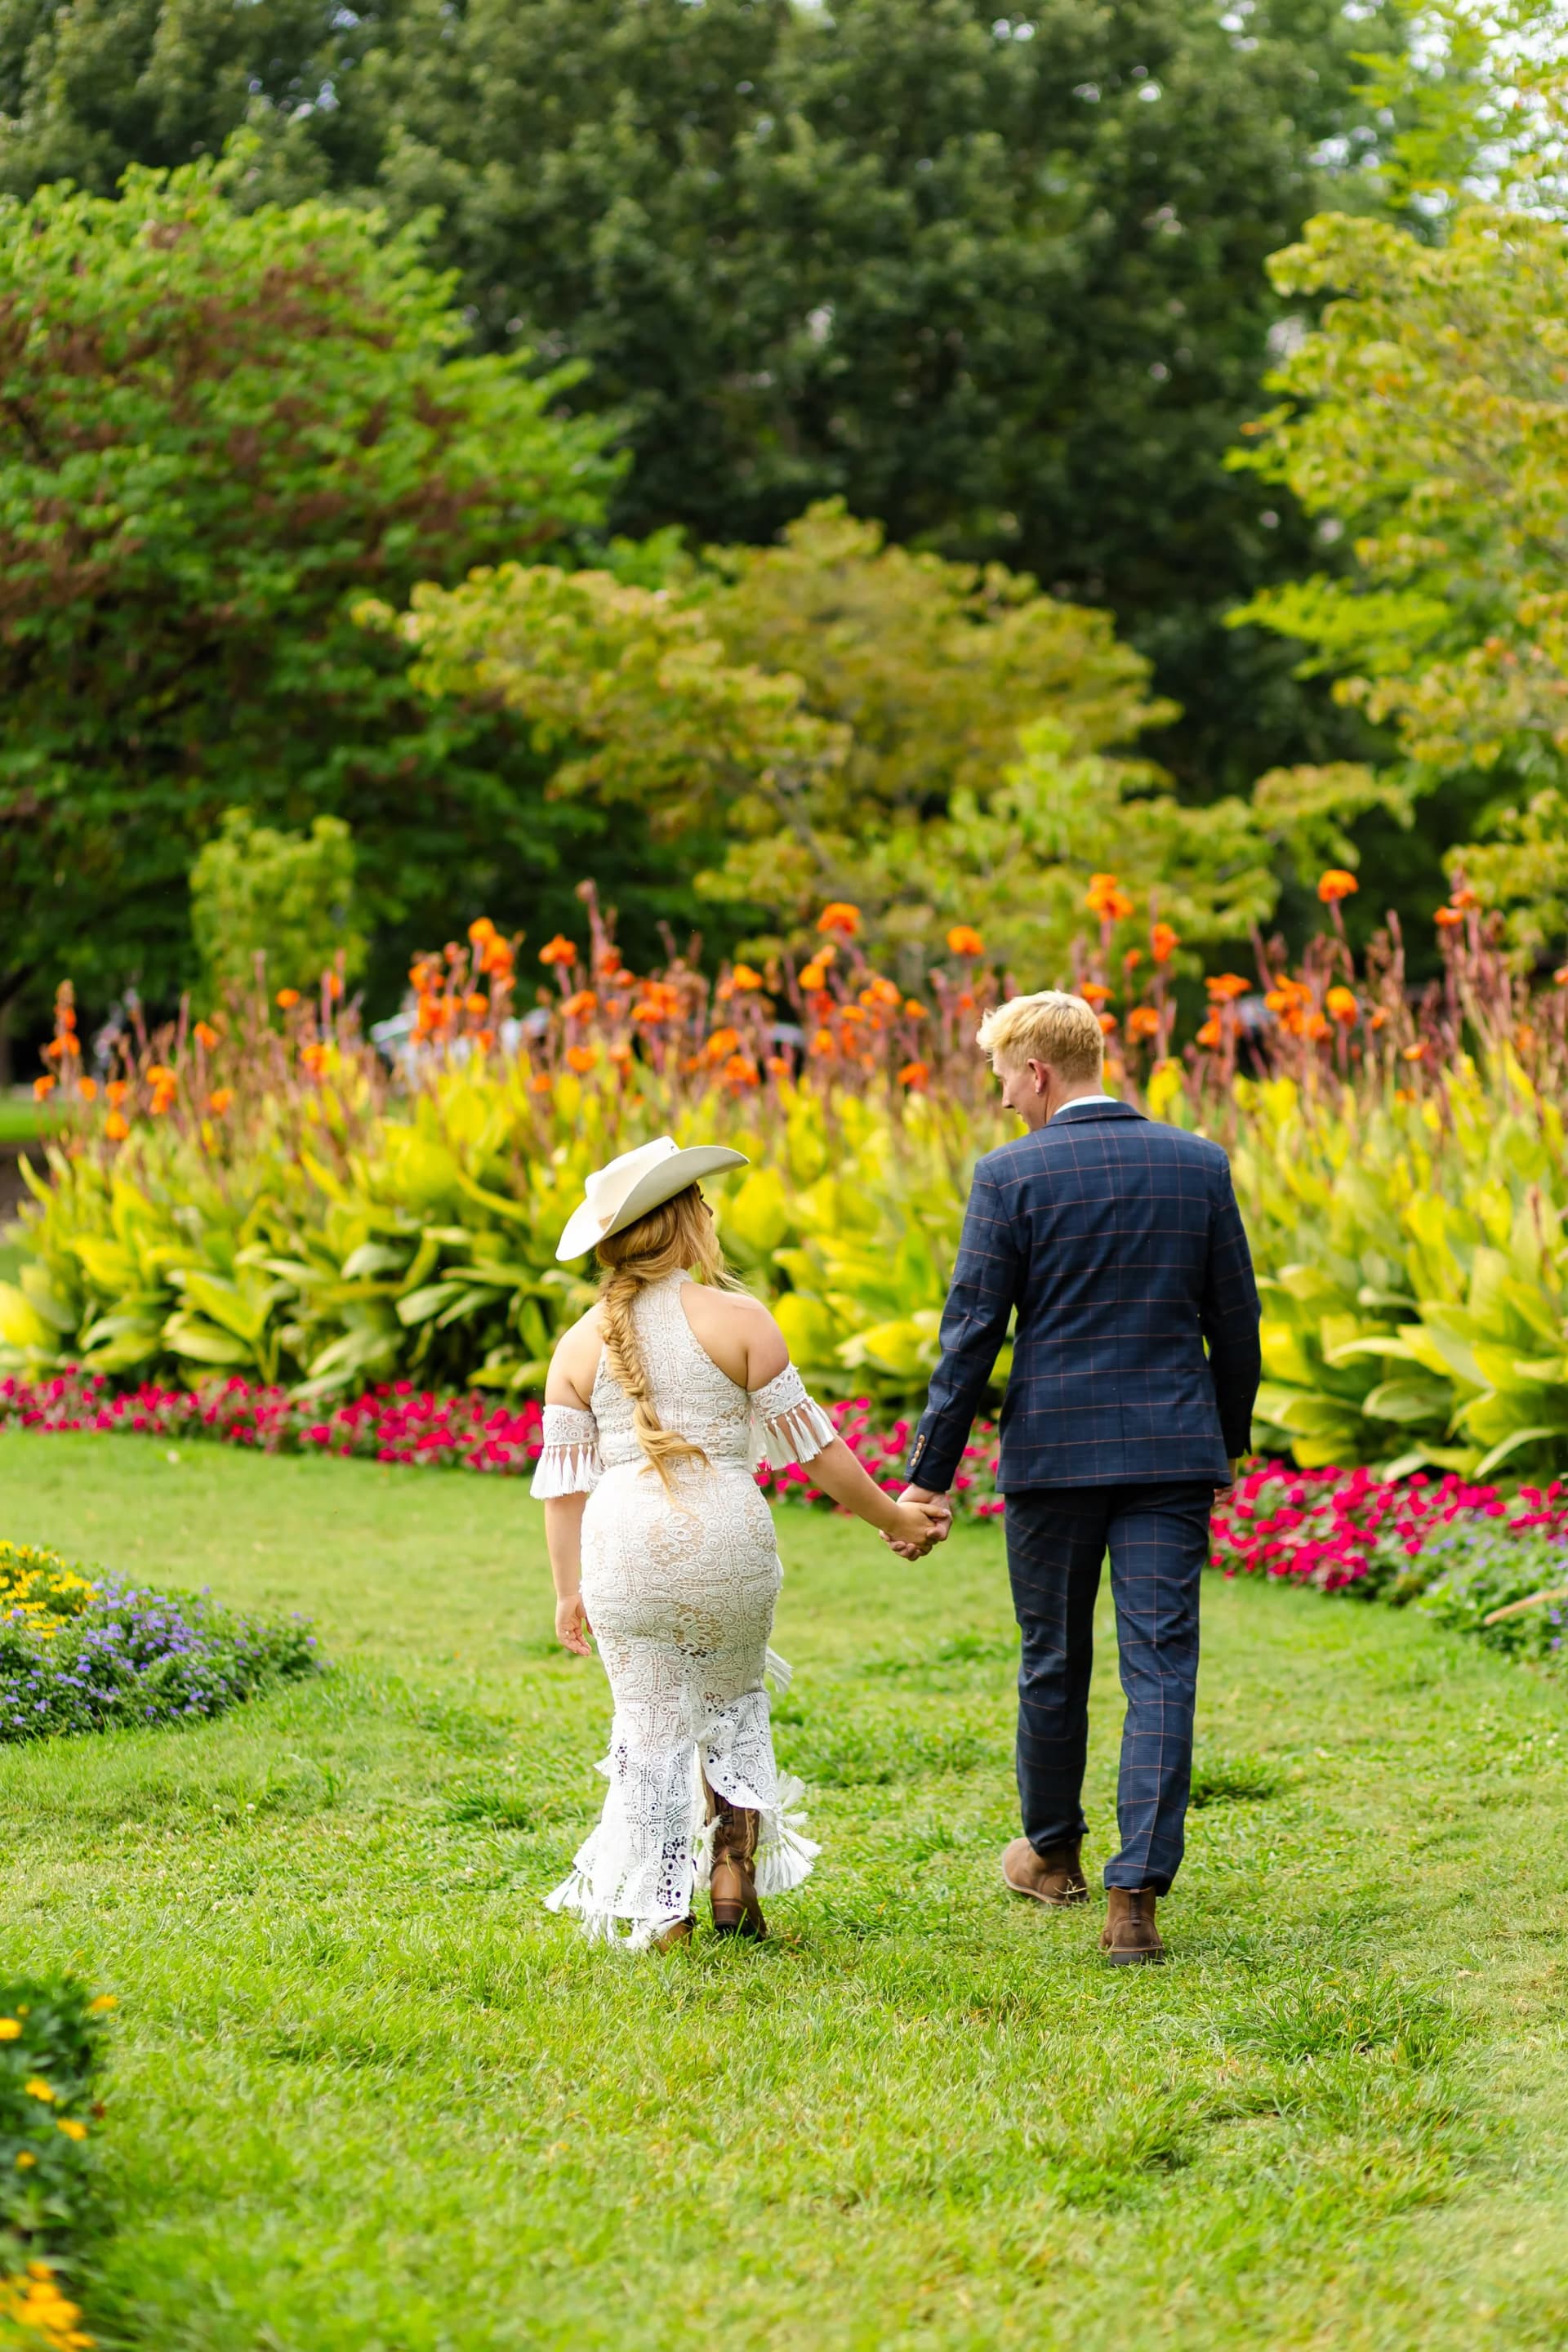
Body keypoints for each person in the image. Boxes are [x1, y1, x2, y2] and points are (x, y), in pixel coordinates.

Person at [895, 992, 1261, 1964]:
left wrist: (929, 1479)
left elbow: (972, 1336)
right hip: (1171, 1458)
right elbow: (1238, 1322)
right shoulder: (1199, 1164)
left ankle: (1053, 1856)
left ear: (1039, 1070)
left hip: (1054, 1460)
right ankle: (1134, 1898)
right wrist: (1218, 1441)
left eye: (1005, 1079)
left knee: (1054, 1658)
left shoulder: (1008, 1175)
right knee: (1161, 1669)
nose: (1004, 1099)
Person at [536, 1135, 947, 1952]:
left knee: (647, 1725)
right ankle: (733, 1876)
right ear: (689, 1221)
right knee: (732, 1706)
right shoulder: (740, 1320)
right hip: (725, 1540)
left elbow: (563, 1490)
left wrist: (567, 1589)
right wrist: (894, 1519)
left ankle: (662, 1914)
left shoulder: (578, 1344)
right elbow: (820, 1452)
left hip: (621, 1552)